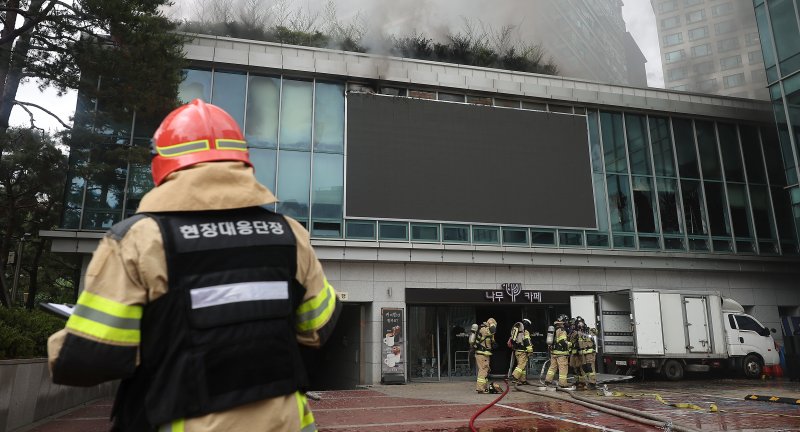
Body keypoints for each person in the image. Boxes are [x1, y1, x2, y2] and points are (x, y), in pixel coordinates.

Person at [47, 99, 341, 432]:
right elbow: (320, 324)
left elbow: (90, 359)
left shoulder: (140, 239)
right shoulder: (289, 234)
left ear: (163, 164)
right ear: (243, 161)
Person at [544, 314, 572, 389]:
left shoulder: (555, 329)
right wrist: (570, 344)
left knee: (552, 367)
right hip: (561, 353)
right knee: (563, 368)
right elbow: (563, 341)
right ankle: (562, 383)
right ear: (563, 322)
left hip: (553, 352)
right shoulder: (562, 330)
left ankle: (547, 380)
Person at [474, 317, 498, 393]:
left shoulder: (485, 330)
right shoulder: (484, 329)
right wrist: (492, 323)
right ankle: (480, 388)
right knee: (483, 370)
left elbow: (490, 339)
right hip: (482, 354)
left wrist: (493, 343)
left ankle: (483, 387)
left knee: (485, 370)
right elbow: (493, 330)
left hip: (484, 354)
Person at [575, 317, 598, 389]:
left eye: (581, 322)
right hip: (581, 354)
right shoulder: (576, 332)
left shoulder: (588, 330)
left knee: (590, 368)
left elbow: (596, 332)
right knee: (583, 368)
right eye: (578, 323)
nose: (580, 324)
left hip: (590, 353)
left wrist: (592, 329)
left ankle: (592, 383)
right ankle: (584, 382)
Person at [510, 318, 533, 385]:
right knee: (521, 365)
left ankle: (522, 380)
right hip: (523, 351)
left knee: (522, 366)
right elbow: (527, 341)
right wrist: (530, 351)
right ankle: (515, 376)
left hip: (517, 351)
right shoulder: (525, 331)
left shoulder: (517, 331)